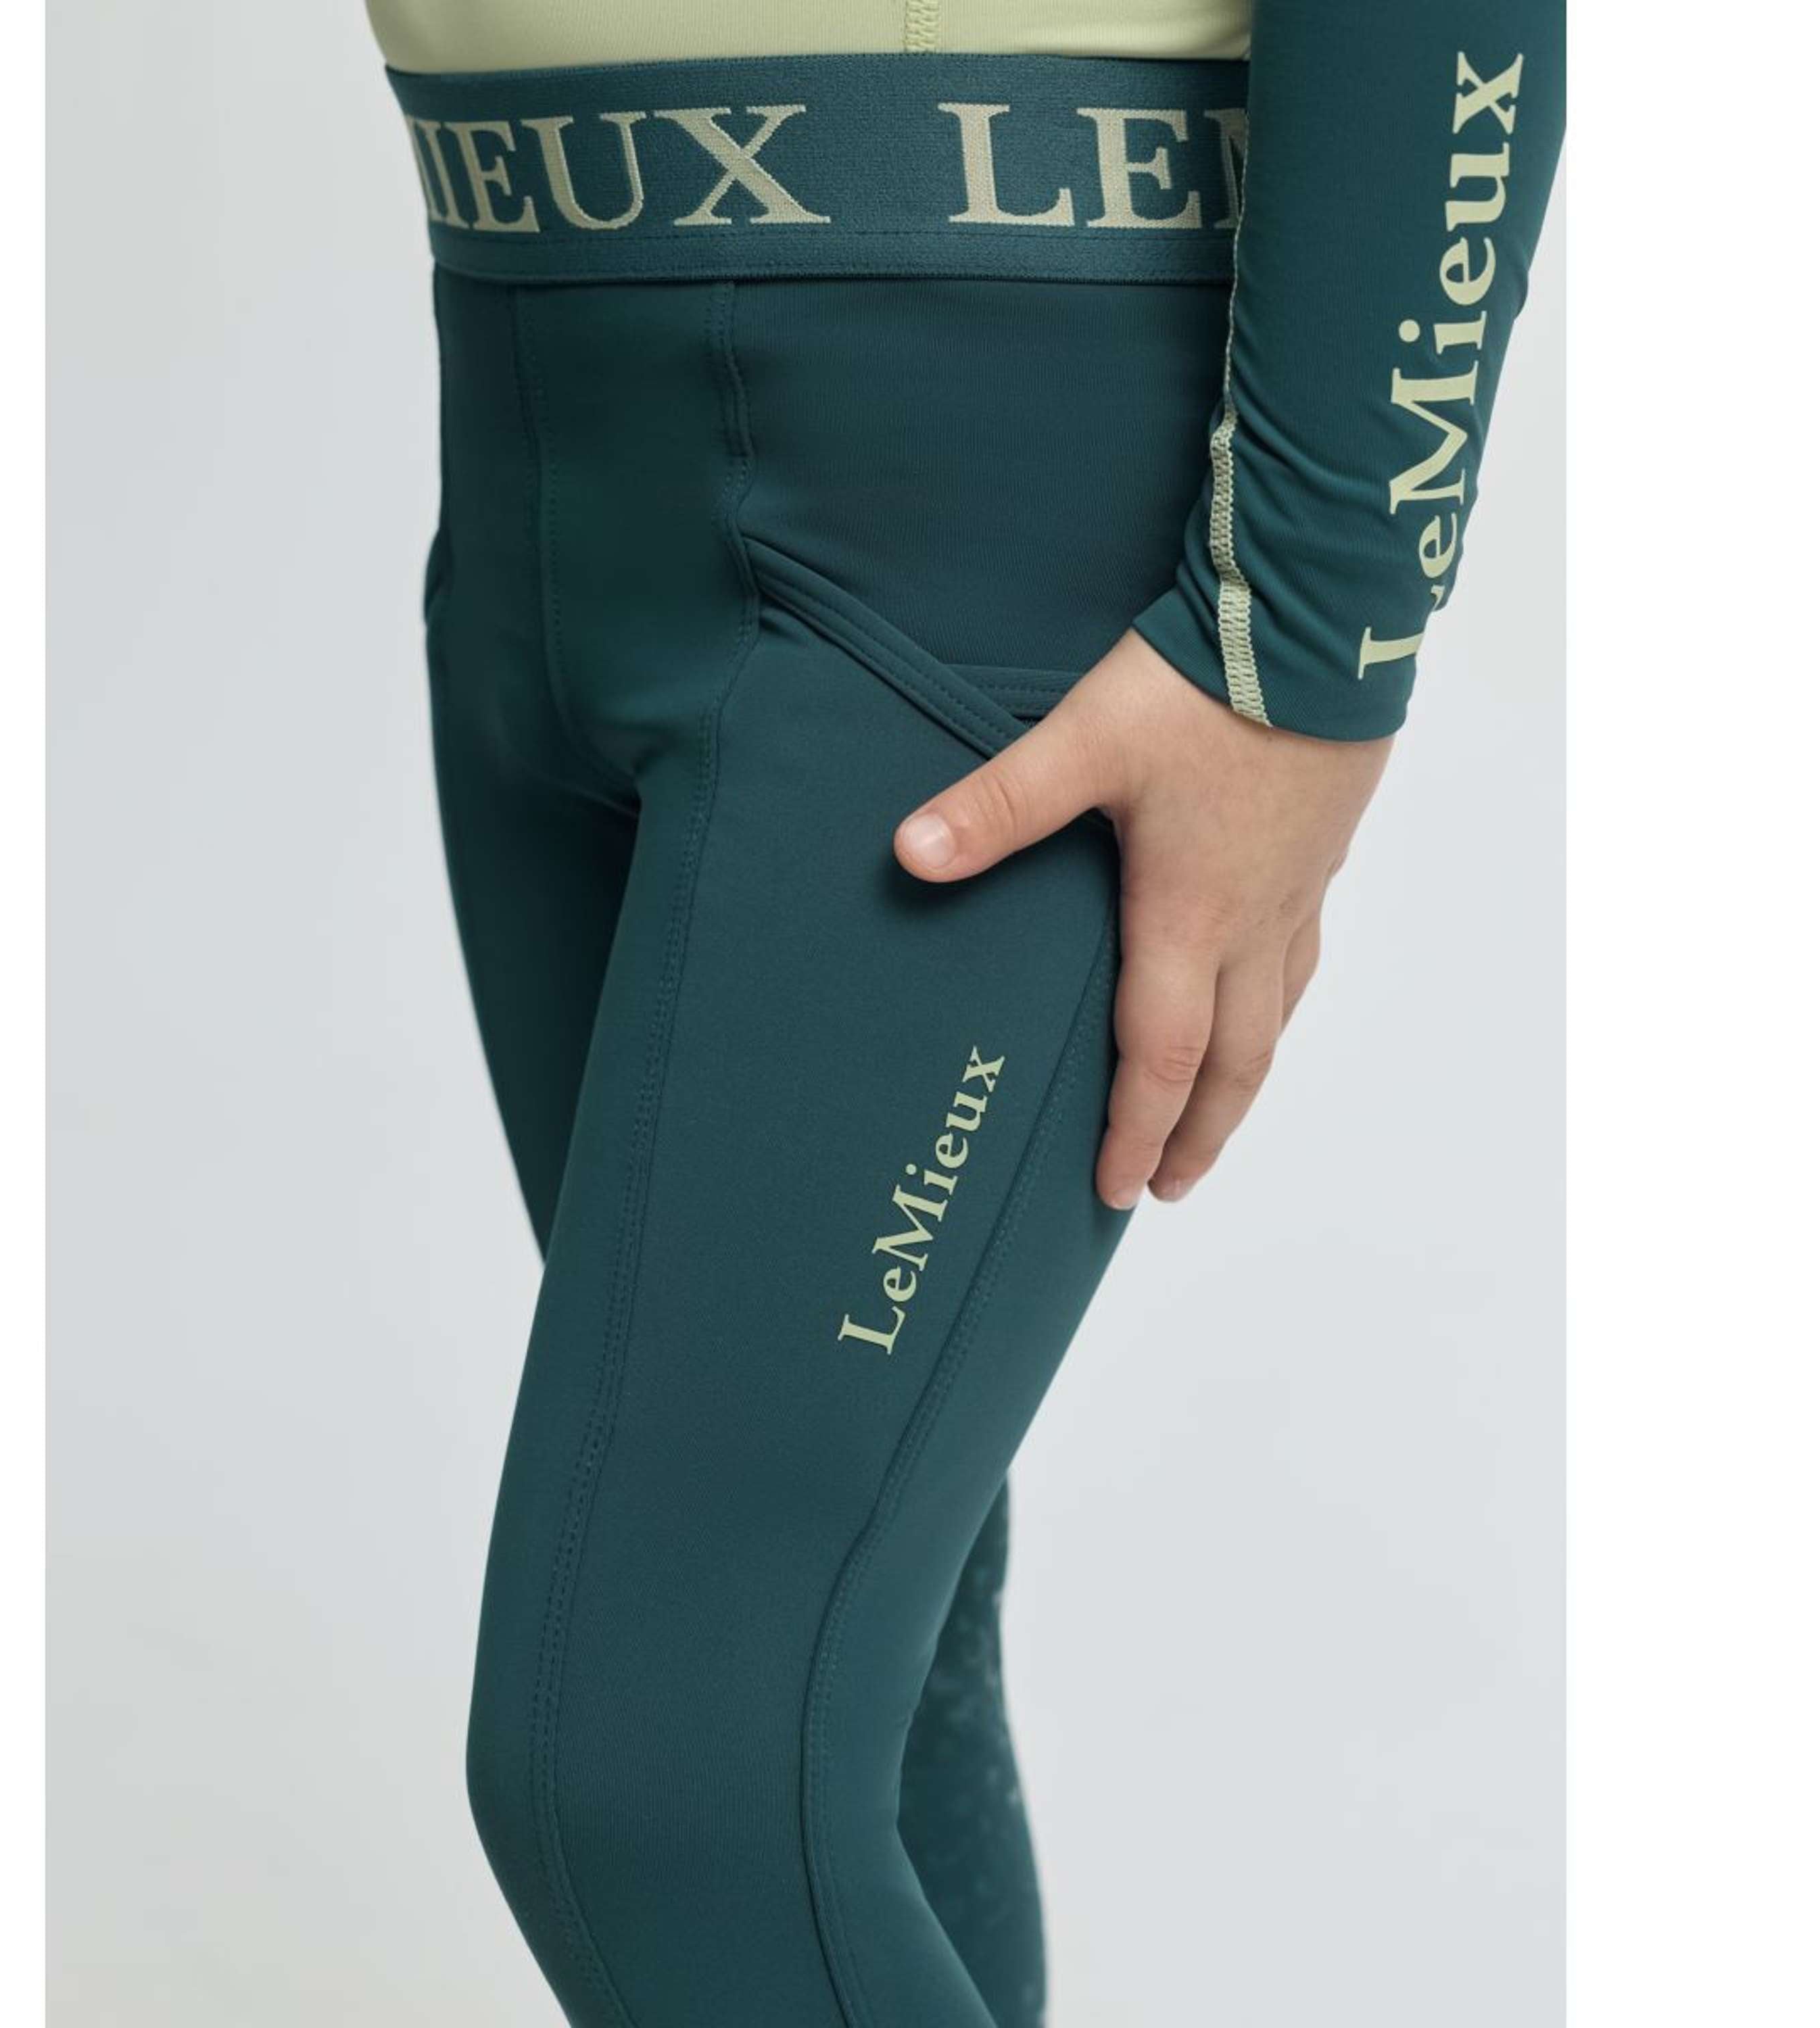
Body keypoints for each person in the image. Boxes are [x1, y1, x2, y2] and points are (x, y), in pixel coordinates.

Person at [366, 2, 1562, 2021]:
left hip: (967, 501)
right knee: (852, 1683)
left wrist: (1315, 623)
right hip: (532, 429)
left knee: (654, 1778)